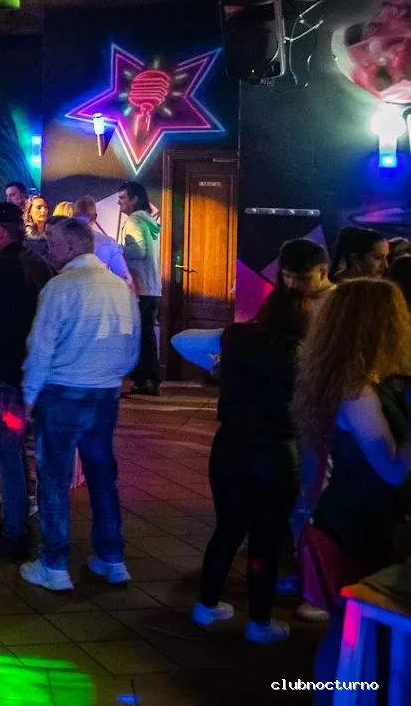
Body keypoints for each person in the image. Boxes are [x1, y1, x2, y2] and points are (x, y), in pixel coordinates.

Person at [193, 238, 328, 645]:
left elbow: (206, 363)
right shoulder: (304, 355)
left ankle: (205, 605)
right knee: (266, 538)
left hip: (230, 445)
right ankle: (259, 623)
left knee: (227, 529)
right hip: (276, 451)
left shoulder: (235, 338)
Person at [292, 277, 411, 694]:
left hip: (357, 519)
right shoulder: (356, 392)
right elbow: (392, 470)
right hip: (353, 526)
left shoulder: (360, 380)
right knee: (348, 630)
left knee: (352, 630)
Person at [18, 217, 140, 592]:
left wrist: (28, 396)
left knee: (54, 479)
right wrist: (111, 374)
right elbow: (132, 347)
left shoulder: (60, 287)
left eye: (53, 242)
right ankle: (111, 557)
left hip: (62, 392)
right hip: (104, 393)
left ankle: (54, 564)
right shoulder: (120, 288)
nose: (48, 249)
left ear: (72, 246)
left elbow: (41, 348)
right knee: (103, 476)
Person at [0, 202, 52, 561]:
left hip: (9, 372)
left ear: (0, 232)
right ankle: (40, 528)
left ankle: (14, 531)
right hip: (42, 373)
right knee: (40, 453)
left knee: (8, 450)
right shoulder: (40, 264)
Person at [117, 181, 163, 396]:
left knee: (134, 336)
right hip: (153, 288)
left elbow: (139, 251)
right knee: (147, 335)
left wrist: (118, 249)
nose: (119, 203)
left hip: (139, 286)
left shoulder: (134, 220)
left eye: (123, 198)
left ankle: (141, 380)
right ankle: (153, 379)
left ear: (135, 199)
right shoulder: (149, 221)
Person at [72, 196, 133, 288]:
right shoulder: (109, 243)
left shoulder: (61, 241)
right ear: (95, 217)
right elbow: (125, 280)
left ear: (73, 216)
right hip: (101, 292)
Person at [24, 195, 51, 261]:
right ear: (29, 212)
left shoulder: (52, 231)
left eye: (45, 207)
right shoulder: (25, 235)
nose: (43, 210)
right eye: (39, 208)